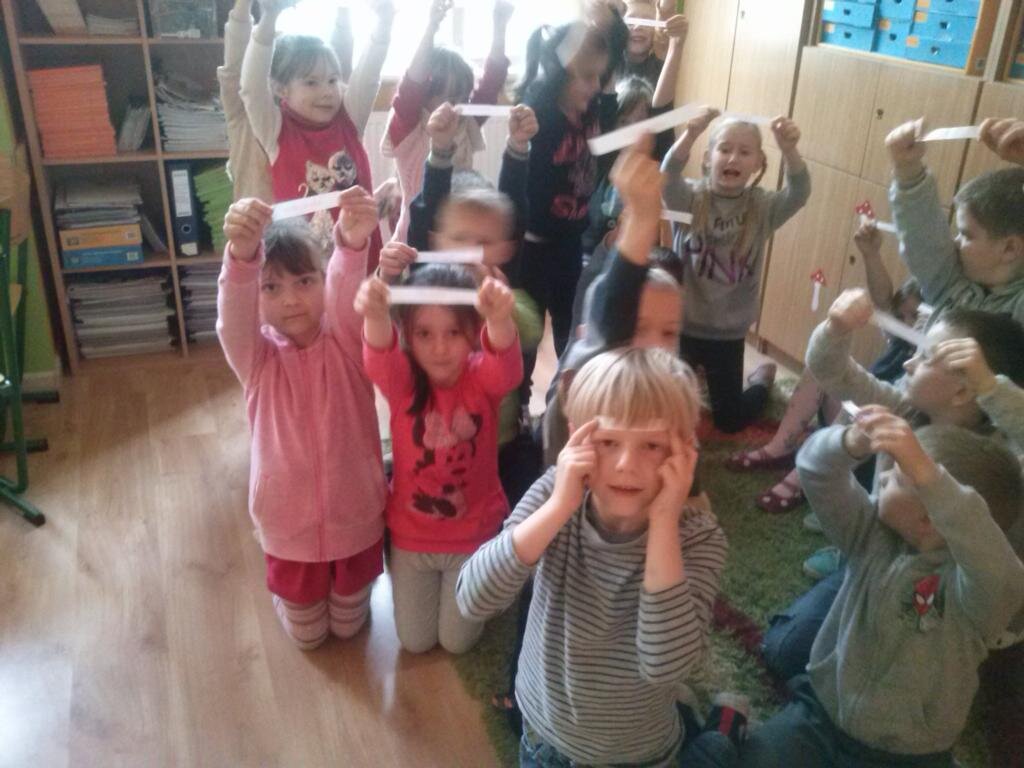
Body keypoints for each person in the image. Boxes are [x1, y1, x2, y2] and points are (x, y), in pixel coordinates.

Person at [457, 347, 729, 766]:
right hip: (541, 738)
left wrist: (663, 521)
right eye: (608, 442)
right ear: (576, 438)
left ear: (684, 450)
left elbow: (665, 666)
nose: (626, 464)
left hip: (635, 756)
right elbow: (473, 599)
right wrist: (557, 508)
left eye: (652, 445)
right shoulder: (555, 494)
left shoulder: (698, 537)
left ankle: (724, 727)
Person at [740, 415, 1024, 768]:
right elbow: (815, 471)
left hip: (907, 754)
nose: (884, 476)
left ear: (932, 517)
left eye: (897, 478)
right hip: (820, 716)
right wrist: (849, 442)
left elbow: (1001, 571)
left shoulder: (976, 593)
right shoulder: (870, 531)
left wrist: (932, 480)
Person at [216, 188, 387, 649]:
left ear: (324, 282)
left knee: (348, 626)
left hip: (355, 515)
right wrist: (242, 257)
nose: (291, 299)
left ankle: (340, 594)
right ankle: (290, 601)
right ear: (257, 296)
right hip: (287, 525)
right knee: (308, 637)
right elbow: (232, 318)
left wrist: (352, 244)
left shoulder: (349, 342)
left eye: (305, 282)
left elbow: (347, 296)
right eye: (271, 287)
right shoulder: (256, 358)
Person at [355, 266, 522, 654]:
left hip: (473, 533)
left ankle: (494, 585)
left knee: (456, 642)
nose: (440, 348)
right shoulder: (403, 382)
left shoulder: (482, 380)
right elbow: (379, 357)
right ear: (408, 336)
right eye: (425, 334)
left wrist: (500, 319)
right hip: (412, 537)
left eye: (453, 333)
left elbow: (506, 366)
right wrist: (376, 316)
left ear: (473, 333)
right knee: (415, 642)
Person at [662, 114, 811, 433]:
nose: (733, 158)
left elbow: (799, 192)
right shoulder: (688, 199)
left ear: (758, 163)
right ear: (707, 158)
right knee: (668, 416)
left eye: (745, 152)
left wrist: (789, 150)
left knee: (730, 422)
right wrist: (690, 134)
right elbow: (668, 174)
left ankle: (761, 380)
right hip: (682, 328)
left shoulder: (763, 207)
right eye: (724, 149)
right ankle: (699, 379)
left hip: (727, 335)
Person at [515, 8, 626, 404]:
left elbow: (608, 80)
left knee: (572, 328)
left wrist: (610, 24)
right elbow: (521, 179)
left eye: (600, 76)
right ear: (560, 73)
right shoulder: (541, 113)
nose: (595, 86)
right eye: (586, 76)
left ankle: (564, 404)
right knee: (526, 335)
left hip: (569, 243)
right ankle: (520, 406)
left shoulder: (590, 111)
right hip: (533, 248)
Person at [240, 0, 393, 260]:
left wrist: (384, 22)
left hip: (360, 258)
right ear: (281, 89)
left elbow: (369, 72)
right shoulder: (276, 130)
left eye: (332, 80)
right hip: (305, 265)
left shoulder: (349, 117)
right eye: (311, 82)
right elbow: (251, 88)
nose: (327, 92)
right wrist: (268, 20)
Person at [382, 0, 515, 244]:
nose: (457, 106)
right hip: (416, 235)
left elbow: (491, 83)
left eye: (462, 97)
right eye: (448, 96)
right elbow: (411, 87)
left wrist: (500, 26)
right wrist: (431, 27)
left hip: (458, 233)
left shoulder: (464, 122)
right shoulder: (409, 127)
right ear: (424, 96)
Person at [886, 119, 1024, 326]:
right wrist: (907, 169)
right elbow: (923, 238)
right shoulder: (954, 286)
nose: (956, 242)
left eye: (966, 235)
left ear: (1009, 248)